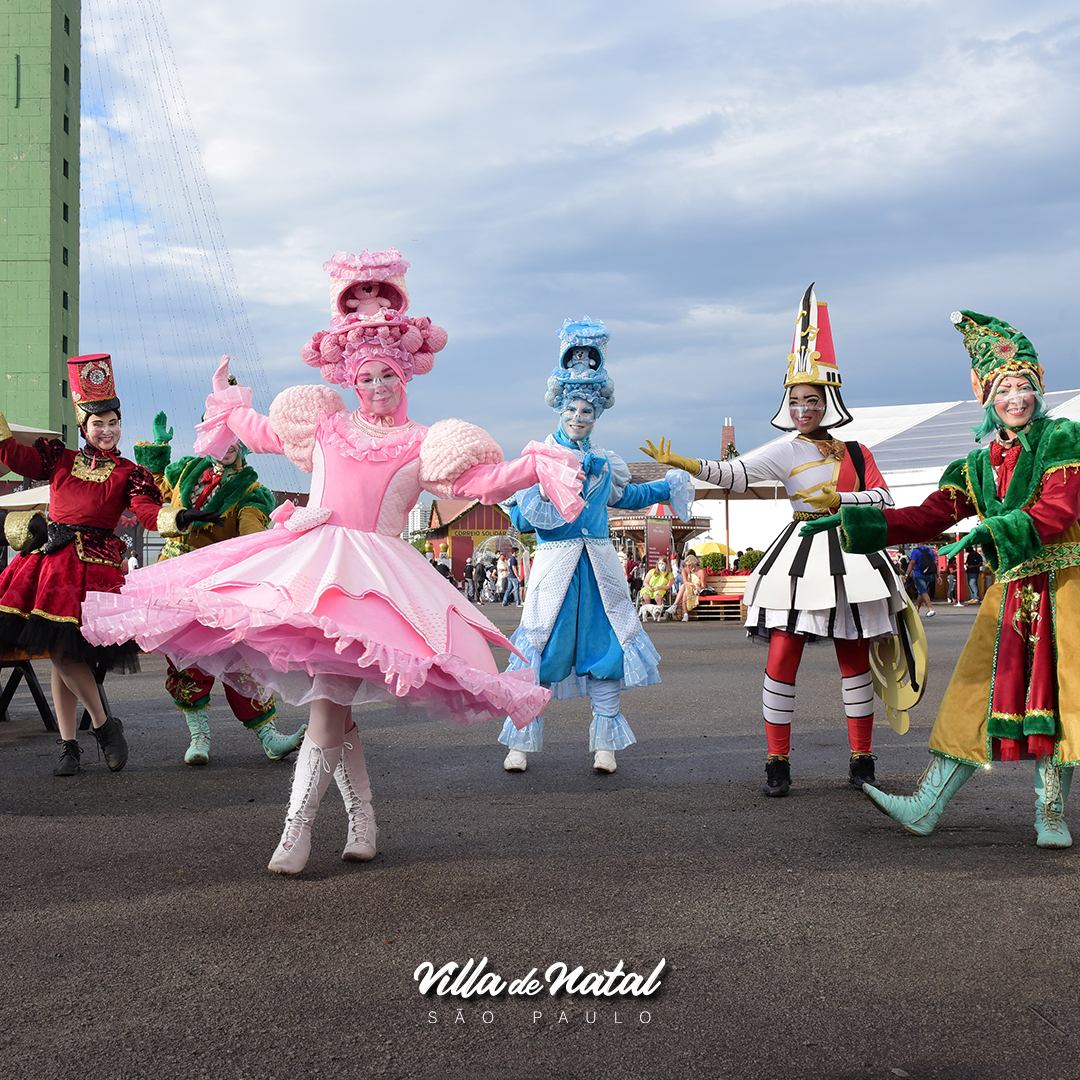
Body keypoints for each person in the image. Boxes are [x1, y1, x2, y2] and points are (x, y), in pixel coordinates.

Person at [82, 249, 585, 874]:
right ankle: (362, 823)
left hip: (375, 590)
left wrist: (539, 463)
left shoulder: (425, 443)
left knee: (329, 704)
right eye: (367, 377)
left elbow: (485, 481)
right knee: (334, 704)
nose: (375, 388)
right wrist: (229, 403)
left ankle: (296, 832)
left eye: (387, 377)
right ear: (351, 379)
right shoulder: (324, 427)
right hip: (310, 575)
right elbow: (261, 431)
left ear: (406, 378)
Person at [805, 309, 1080, 847]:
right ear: (987, 398)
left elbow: (1060, 509)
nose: (1015, 398)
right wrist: (859, 517)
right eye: (1004, 388)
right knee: (973, 692)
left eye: (1024, 385)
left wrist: (989, 533)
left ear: (1039, 389)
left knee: (1062, 694)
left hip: (1065, 587)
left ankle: (1050, 814)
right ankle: (926, 805)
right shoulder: (974, 466)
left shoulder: (1062, 439)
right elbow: (928, 516)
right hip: (1011, 592)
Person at [644, 283, 907, 796]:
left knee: (854, 660)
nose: (803, 408)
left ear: (828, 402)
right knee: (782, 655)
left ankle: (862, 760)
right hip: (801, 556)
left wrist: (843, 503)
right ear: (786, 406)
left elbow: (885, 498)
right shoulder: (784, 451)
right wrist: (685, 464)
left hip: (852, 554)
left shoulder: (856, 451)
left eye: (812, 400)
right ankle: (776, 763)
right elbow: (733, 473)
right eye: (795, 400)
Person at [0, 354, 218, 776]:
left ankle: (89, 734)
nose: (107, 430)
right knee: (59, 654)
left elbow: (149, 513)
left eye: (113, 422)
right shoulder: (58, 459)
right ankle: (83, 737)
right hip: (49, 566)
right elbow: (15, 457)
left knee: (65, 654)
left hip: (93, 571)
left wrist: (180, 516)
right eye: (98, 423)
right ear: (84, 427)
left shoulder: (128, 472)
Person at [498, 318, 692, 775]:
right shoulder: (539, 460)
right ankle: (521, 742)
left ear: (597, 414)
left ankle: (604, 743)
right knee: (542, 647)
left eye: (587, 411)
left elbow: (627, 499)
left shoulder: (606, 463)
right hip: (555, 568)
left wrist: (667, 484)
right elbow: (523, 519)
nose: (578, 418)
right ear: (559, 410)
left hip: (599, 568)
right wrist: (541, 491)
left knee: (605, 649)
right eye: (572, 410)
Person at [133, 409, 306, 766]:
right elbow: (155, 494)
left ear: (242, 441)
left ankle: (269, 737)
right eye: (217, 436)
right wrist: (158, 450)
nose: (224, 446)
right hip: (176, 578)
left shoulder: (251, 491)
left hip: (219, 583)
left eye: (231, 437)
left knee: (238, 660)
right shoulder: (186, 470)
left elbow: (250, 538)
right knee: (186, 658)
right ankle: (199, 737)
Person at [668, 552, 706, 621]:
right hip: (689, 588)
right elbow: (685, 582)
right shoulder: (685, 570)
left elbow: (703, 585)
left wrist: (697, 588)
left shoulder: (701, 571)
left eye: (690, 565)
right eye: (687, 565)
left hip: (696, 590)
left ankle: (678, 608)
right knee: (684, 587)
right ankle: (682, 611)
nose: (688, 567)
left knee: (684, 588)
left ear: (694, 563)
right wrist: (693, 585)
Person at [906, 544, 936, 617]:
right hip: (929, 574)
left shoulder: (915, 551)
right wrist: (938, 575)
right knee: (921, 592)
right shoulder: (930, 551)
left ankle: (930, 609)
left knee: (923, 591)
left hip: (918, 574)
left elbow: (912, 563)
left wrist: (906, 574)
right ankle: (916, 610)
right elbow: (934, 564)